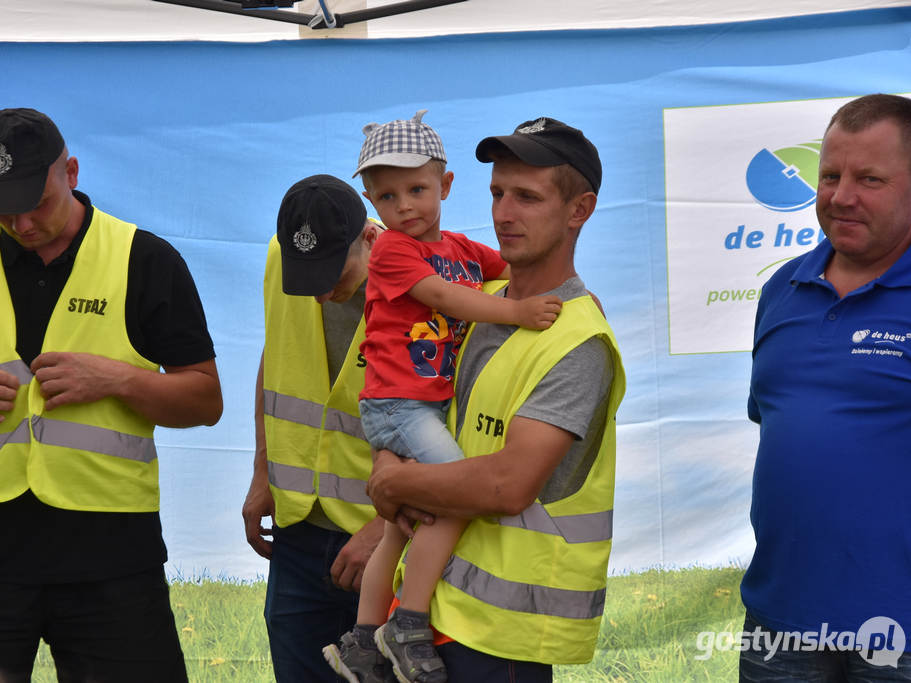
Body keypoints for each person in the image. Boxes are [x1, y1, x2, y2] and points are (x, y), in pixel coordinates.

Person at [0, 108, 223, 683]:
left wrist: (120, 379)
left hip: (114, 556)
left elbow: (204, 401)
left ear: (70, 171)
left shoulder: (145, 259)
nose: (20, 222)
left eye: (35, 202)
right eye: (2, 206)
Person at [365, 116, 626, 682]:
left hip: (501, 638)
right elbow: (412, 403)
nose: (503, 214)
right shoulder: (475, 299)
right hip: (429, 617)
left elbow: (506, 486)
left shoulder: (579, 339)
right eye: (497, 193)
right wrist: (388, 456)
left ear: (579, 210)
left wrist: (393, 482)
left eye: (527, 197)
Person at [322, 111, 563, 683]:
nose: (404, 205)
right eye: (387, 196)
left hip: (427, 404)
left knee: (405, 524)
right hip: (400, 405)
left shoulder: (460, 248)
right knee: (456, 495)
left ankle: (360, 639)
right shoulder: (391, 252)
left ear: (446, 186)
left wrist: (572, 297)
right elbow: (448, 300)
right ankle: (407, 623)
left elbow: (513, 271)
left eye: (417, 189)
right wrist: (518, 313)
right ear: (370, 203)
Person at [740, 93, 911, 680]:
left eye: (870, 178)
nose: (842, 196)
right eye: (831, 175)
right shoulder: (782, 291)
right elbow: (782, 427)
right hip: (779, 620)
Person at [242, 174, 388, 682]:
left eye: (335, 272)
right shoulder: (282, 259)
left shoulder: (431, 286)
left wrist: (390, 529)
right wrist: (263, 472)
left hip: (383, 544)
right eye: (308, 276)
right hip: (297, 535)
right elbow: (277, 356)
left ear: (370, 237)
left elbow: (452, 430)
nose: (322, 291)